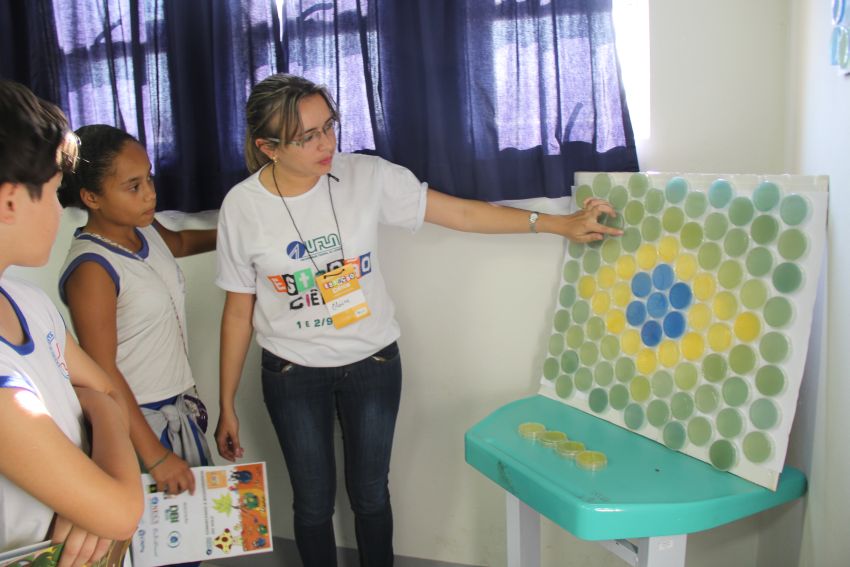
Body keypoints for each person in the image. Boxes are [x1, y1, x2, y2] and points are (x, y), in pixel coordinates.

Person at [214, 73, 621, 567]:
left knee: (370, 495)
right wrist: (226, 403)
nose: (327, 144)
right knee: (313, 503)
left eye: (330, 126)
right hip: (291, 371)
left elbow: (463, 215)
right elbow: (238, 310)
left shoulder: (366, 176)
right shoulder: (243, 207)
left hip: (372, 363)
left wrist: (559, 224)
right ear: (268, 147)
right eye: (308, 137)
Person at [0, 81, 143, 566]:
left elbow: (107, 392)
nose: (60, 210)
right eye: (53, 193)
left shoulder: (29, 302)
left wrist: (84, 494)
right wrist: (96, 497)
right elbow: (122, 512)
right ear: (10, 202)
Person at [56, 125, 217, 504]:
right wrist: (155, 455)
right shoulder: (93, 268)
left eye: (149, 178)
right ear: (91, 197)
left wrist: (237, 234)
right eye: (133, 186)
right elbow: (102, 369)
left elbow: (178, 242)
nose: (150, 194)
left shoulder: (142, 228)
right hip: (138, 423)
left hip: (177, 408)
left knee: (200, 527)